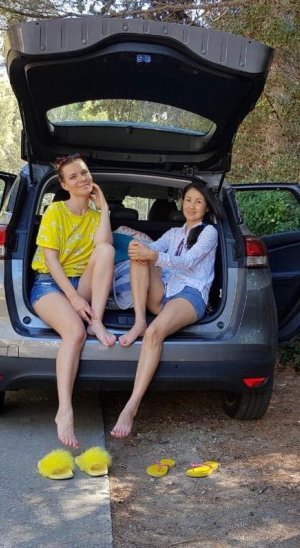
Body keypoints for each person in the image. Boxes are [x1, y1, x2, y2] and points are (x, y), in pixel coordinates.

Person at [111, 182, 222, 438]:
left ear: (206, 208)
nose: (191, 206)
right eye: (188, 200)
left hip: (190, 295)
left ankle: (130, 407)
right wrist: (137, 248)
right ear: (181, 202)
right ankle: (139, 320)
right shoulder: (173, 233)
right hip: (165, 293)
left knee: (154, 333)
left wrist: (153, 256)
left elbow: (188, 261)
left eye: (198, 202)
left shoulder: (209, 233)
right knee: (139, 257)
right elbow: (152, 250)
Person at [30, 154, 116, 448]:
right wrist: (74, 298)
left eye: (85, 173)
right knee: (75, 333)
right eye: (74, 176)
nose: (82, 179)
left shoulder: (94, 216)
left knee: (106, 251)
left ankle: (97, 321)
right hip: (50, 284)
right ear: (65, 185)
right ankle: (64, 410)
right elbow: (51, 261)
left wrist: (104, 208)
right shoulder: (56, 211)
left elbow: (105, 246)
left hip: (84, 282)